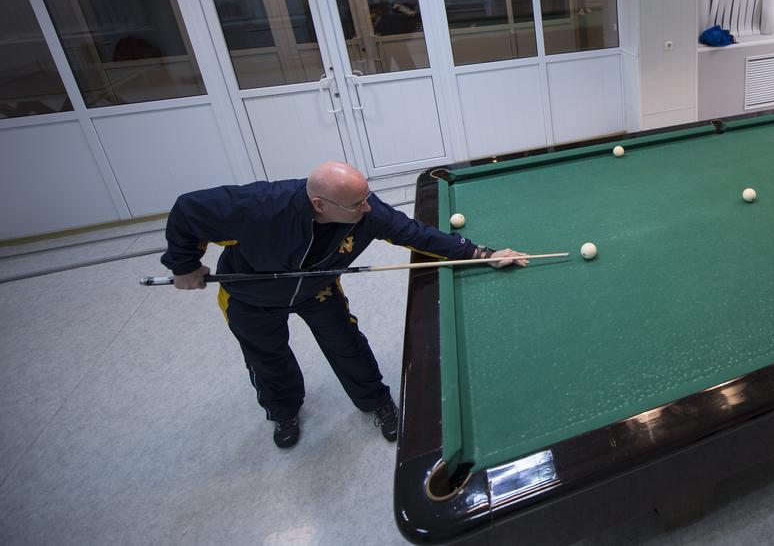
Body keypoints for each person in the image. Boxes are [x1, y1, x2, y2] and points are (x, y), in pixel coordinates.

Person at [161, 161, 527, 449]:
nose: (367, 207)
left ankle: (376, 401)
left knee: (347, 345)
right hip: (250, 297)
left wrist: (481, 253)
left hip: (317, 289)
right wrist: (184, 265)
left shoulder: (368, 213)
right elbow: (186, 210)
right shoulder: (259, 206)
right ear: (320, 204)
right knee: (266, 357)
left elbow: (416, 234)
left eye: (367, 196)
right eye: (357, 203)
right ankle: (284, 412)